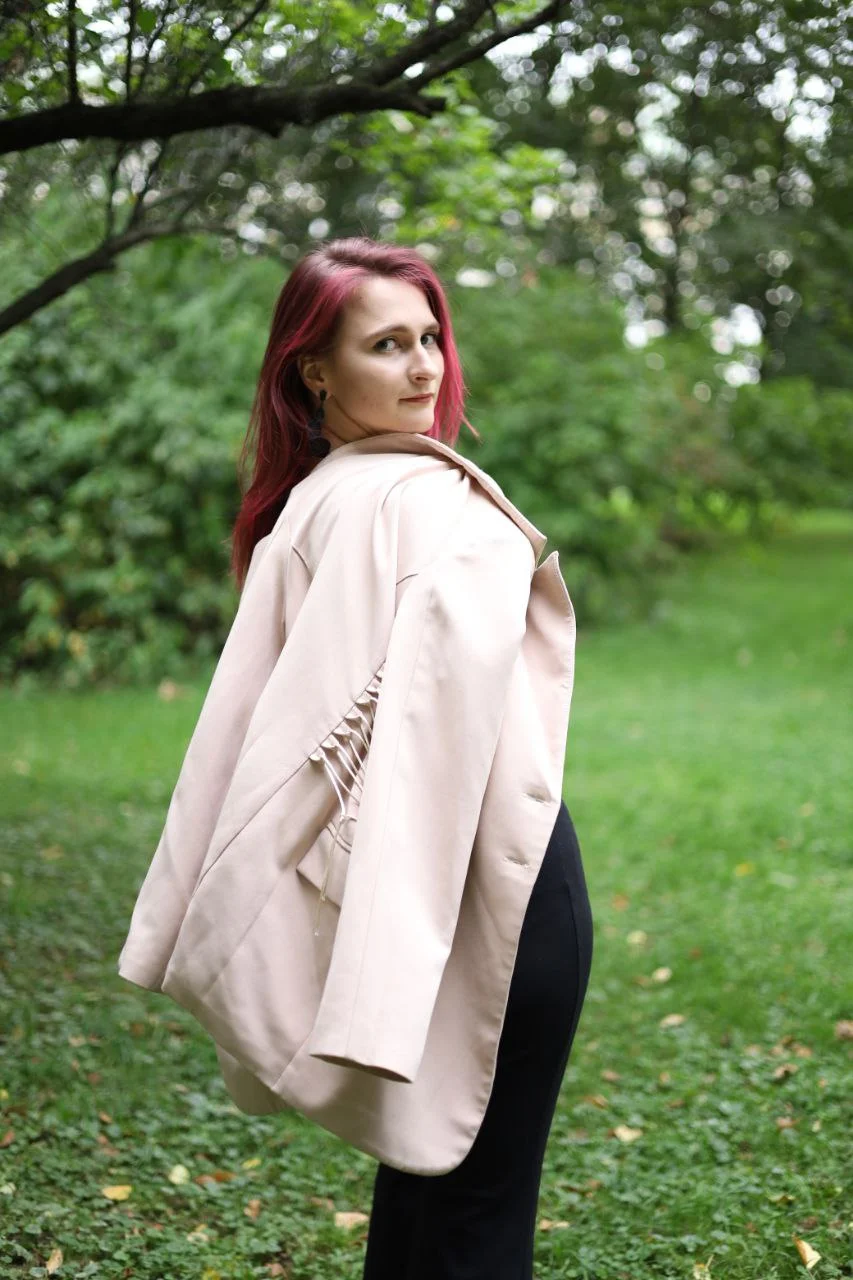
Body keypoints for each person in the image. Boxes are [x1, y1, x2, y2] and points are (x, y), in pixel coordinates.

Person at [118, 237, 593, 1279]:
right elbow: (407, 749)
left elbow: (264, 742)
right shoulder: (419, 504)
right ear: (314, 371)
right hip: (497, 896)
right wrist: (381, 958)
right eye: (386, 344)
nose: (424, 366)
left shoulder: (311, 503)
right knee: (477, 1208)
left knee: (426, 1182)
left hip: (456, 892)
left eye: (429, 338)